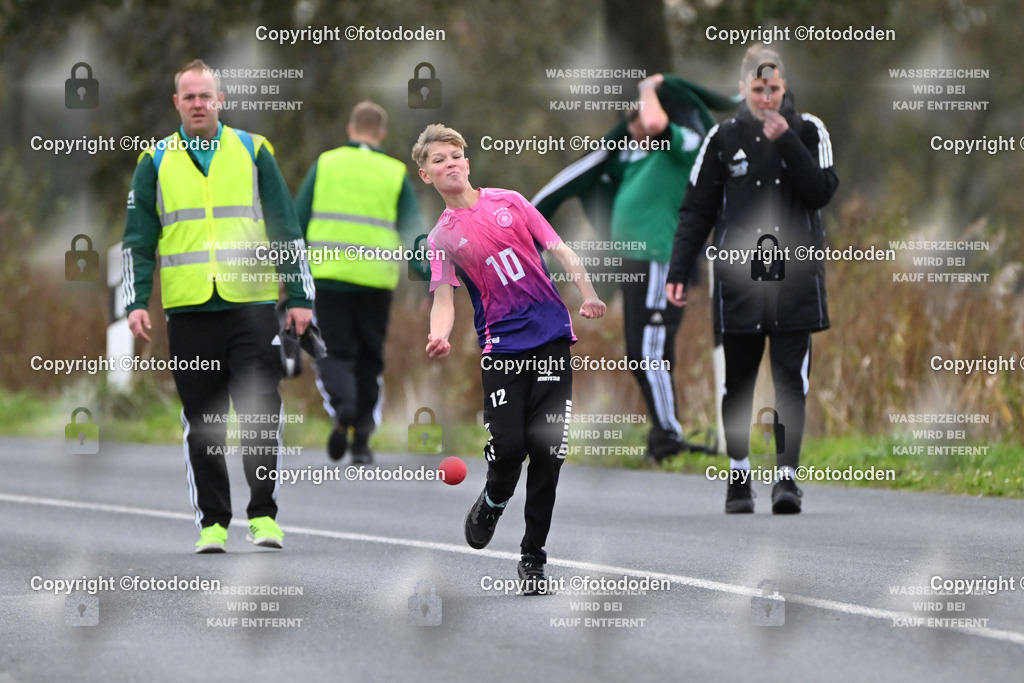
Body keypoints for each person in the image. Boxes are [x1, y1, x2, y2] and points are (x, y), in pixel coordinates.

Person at [121, 59, 314, 552]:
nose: (199, 103)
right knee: (203, 422)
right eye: (189, 96)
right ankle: (213, 522)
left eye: (206, 95)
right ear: (177, 103)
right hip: (188, 312)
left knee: (259, 416)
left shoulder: (253, 151)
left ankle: (264, 516)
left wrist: (300, 295)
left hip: (251, 306)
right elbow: (138, 240)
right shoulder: (154, 160)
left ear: (221, 99)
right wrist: (136, 300)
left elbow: (284, 227)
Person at [412, 124, 606, 594]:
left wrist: (588, 293)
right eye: (438, 160)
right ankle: (495, 497)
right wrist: (439, 334)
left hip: (552, 337)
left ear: (468, 162)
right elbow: (443, 297)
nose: (450, 164)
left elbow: (559, 248)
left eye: (456, 155)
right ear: (426, 175)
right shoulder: (441, 238)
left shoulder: (511, 202)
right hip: (503, 349)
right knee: (511, 447)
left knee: (548, 450)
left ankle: (533, 557)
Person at [666, 45, 838, 514]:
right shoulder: (722, 138)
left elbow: (821, 191)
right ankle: (738, 478)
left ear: (785, 87)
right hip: (737, 286)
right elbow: (696, 210)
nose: (767, 97)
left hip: (795, 283)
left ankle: (786, 480)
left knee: (790, 382)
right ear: (743, 89)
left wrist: (786, 141)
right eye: (759, 89)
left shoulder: (809, 130)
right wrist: (679, 270)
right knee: (738, 384)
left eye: (775, 89)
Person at [294, 101, 423, 465]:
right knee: (370, 356)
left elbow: (296, 221)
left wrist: (290, 278)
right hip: (375, 281)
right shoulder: (395, 172)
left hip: (329, 276)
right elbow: (415, 233)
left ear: (350, 130)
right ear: (380, 133)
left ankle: (344, 407)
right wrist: (429, 279)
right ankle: (362, 441)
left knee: (334, 351)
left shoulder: (325, 164)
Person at [611, 74, 706, 462]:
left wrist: (650, 87)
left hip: (657, 258)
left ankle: (669, 435)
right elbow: (636, 129)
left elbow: (652, 122)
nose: (636, 130)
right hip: (636, 261)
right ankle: (664, 432)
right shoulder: (644, 151)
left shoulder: (687, 142)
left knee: (647, 351)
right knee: (645, 351)